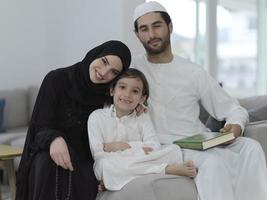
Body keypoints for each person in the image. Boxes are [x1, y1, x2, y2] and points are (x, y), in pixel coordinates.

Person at [132, 1, 267, 200]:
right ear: (137, 34)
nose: (151, 34)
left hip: (198, 140)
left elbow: (233, 109)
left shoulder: (193, 71)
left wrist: (235, 125)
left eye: (157, 26)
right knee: (212, 163)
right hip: (168, 147)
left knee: (251, 147)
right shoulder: (132, 68)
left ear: (170, 26)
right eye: (144, 29)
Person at [15, 40, 131, 200]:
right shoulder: (57, 79)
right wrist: (55, 139)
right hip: (51, 154)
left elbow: (121, 124)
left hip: (87, 161)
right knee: (46, 162)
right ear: (96, 54)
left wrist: (136, 107)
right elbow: (40, 127)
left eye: (114, 72)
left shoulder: (109, 95)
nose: (104, 73)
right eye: (104, 62)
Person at [87, 68, 197, 191]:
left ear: (142, 98)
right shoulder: (96, 117)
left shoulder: (142, 116)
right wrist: (139, 149)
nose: (127, 94)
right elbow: (99, 154)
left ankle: (117, 179)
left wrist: (123, 146)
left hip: (136, 161)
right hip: (114, 163)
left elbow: (154, 146)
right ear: (112, 90)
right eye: (122, 87)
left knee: (174, 150)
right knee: (105, 166)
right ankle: (165, 169)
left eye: (135, 91)